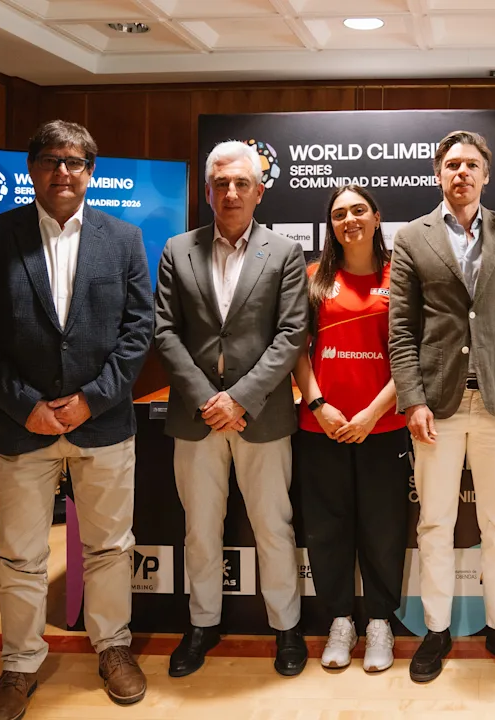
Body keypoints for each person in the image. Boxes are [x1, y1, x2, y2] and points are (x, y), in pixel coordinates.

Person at [0, 119, 154, 719]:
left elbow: (138, 330)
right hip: (22, 425)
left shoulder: (123, 239)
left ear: (91, 172)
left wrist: (94, 398)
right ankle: (19, 665)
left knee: (110, 547)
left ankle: (113, 646)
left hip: (103, 423)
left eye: (74, 162)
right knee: (20, 556)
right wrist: (26, 405)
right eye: (50, 160)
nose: (62, 172)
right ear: (32, 169)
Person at [389, 130, 495, 683]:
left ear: (486, 175)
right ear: (438, 174)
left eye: (471, 165)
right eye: (452, 164)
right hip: (438, 405)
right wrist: (412, 399)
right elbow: (401, 330)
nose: (462, 173)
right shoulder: (412, 237)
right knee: (435, 524)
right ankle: (435, 631)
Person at [153, 140, 310, 678]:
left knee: (273, 526)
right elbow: (165, 332)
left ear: (259, 192)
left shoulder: (284, 252)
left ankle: (287, 627)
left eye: (242, 183)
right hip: (195, 417)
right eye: (221, 183)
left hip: (261, 416)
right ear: (208, 191)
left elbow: (291, 335)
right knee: (200, 530)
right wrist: (208, 400)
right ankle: (202, 624)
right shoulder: (178, 249)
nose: (232, 192)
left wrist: (239, 398)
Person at [292, 185, 409, 673]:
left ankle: (379, 622)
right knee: (326, 529)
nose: (349, 220)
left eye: (359, 210)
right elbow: (296, 351)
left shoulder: (399, 277)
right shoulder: (312, 278)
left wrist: (372, 414)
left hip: (382, 426)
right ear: (331, 224)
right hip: (322, 427)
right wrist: (319, 406)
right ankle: (340, 621)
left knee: (383, 529)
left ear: (377, 217)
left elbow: (411, 355)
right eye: (339, 213)